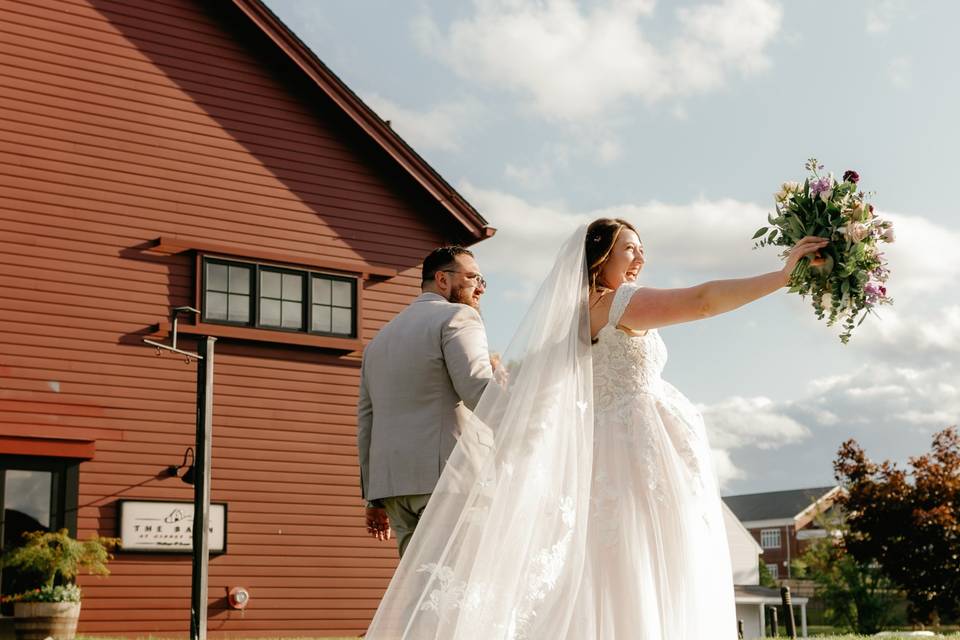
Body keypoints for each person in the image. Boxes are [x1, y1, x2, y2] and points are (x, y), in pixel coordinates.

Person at [364, 220, 827, 639]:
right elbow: (703, 302)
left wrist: (372, 492)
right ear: (600, 258)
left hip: (414, 479)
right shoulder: (613, 303)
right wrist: (784, 275)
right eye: (630, 249)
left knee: (602, 571)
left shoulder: (569, 321)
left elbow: (375, 414)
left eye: (643, 249)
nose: (641, 259)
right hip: (632, 457)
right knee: (637, 563)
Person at [357, 246, 494, 558]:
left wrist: (373, 498)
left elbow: (367, 423)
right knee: (459, 586)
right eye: (473, 278)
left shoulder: (378, 342)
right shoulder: (458, 317)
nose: (481, 287)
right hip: (449, 480)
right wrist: (530, 420)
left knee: (418, 592)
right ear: (442, 280)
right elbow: (477, 388)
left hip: (394, 489)